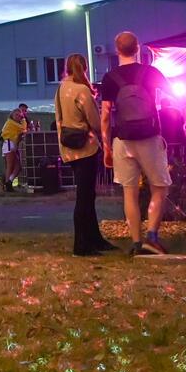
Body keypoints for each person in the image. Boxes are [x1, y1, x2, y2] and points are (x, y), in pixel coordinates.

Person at [98, 32, 169, 256]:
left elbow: (106, 114)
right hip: (149, 136)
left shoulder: (110, 78)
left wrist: (107, 146)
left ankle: (136, 243)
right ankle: (152, 237)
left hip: (122, 139)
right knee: (159, 187)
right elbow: (174, 99)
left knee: (129, 192)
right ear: (137, 48)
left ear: (117, 50)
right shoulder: (151, 72)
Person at [56, 53, 112, 256]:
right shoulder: (82, 91)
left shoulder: (62, 88)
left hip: (69, 147)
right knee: (85, 197)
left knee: (85, 194)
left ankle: (93, 238)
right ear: (85, 68)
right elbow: (95, 122)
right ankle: (82, 244)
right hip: (86, 147)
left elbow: (60, 117)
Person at [0, 103, 29, 190]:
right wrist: (23, 119)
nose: (18, 116)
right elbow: (23, 129)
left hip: (11, 143)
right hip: (9, 143)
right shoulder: (11, 122)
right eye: (16, 114)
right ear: (11, 115)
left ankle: (8, 182)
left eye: (19, 115)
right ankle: (7, 184)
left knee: (17, 167)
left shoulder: (14, 123)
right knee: (10, 166)